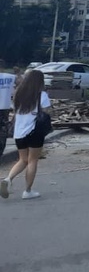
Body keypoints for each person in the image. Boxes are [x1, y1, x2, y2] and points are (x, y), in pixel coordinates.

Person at [2, 69, 52, 200]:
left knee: (22, 160)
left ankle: (7, 180)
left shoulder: (18, 94)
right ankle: (28, 191)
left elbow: (15, 111)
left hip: (19, 133)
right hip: (34, 132)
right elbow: (47, 112)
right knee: (32, 160)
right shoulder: (42, 95)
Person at [0, 71, 13, 161]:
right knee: (3, 131)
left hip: (4, 109)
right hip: (4, 108)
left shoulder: (9, 77)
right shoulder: (9, 77)